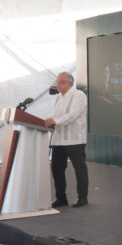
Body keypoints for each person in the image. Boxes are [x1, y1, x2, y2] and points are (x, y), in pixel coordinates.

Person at [44, 72, 89, 208]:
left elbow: (73, 115)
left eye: (61, 82)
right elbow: (58, 115)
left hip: (74, 139)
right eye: (57, 82)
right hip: (58, 139)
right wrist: (50, 121)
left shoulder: (79, 95)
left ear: (71, 83)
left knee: (79, 168)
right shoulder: (58, 97)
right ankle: (61, 198)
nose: (58, 85)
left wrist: (55, 120)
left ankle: (82, 197)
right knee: (56, 168)